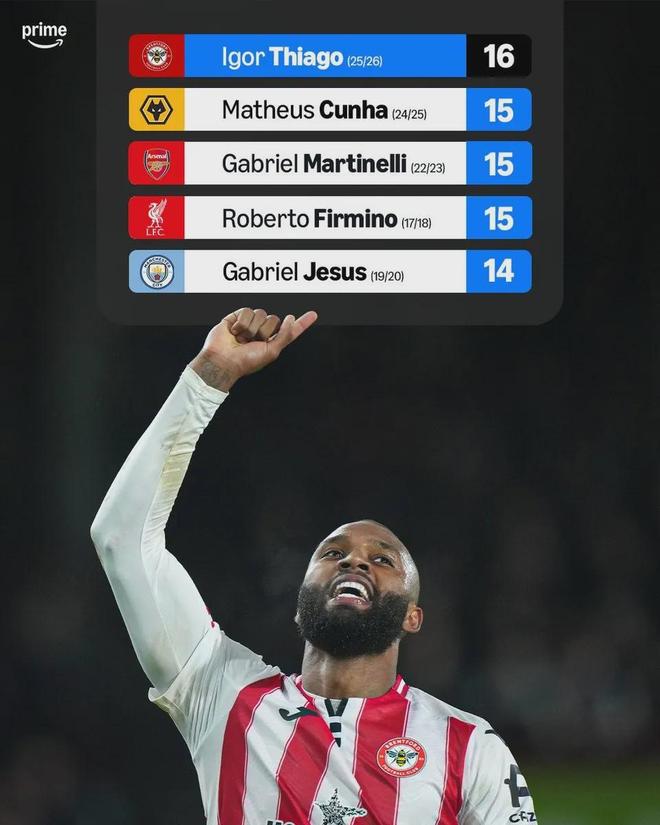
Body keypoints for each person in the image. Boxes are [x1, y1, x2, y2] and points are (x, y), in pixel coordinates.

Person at [91, 308, 537, 825]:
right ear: (301, 601)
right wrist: (208, 378)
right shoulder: (223, 693)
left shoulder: (469, 745)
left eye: (382, 559)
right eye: (332, 553)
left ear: (412, 616)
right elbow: (121, 538)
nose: (354, 559)